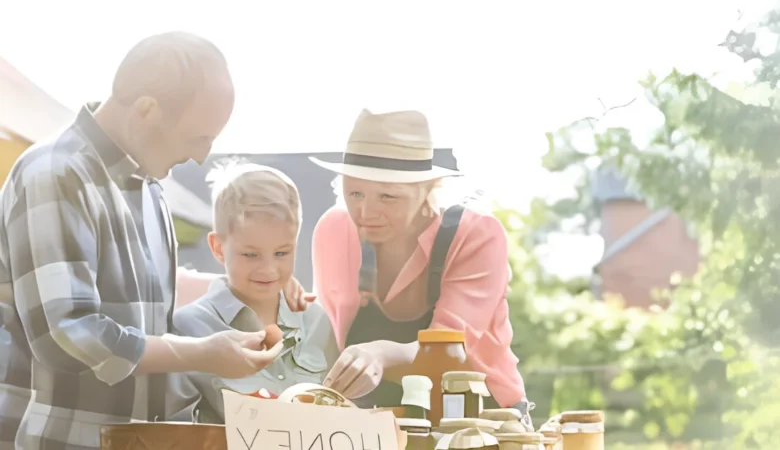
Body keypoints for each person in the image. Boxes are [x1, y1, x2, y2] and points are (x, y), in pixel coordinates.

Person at [0, 32, 291, 450]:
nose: (201, 158)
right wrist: (200, 353)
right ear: (147, 110)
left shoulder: (150, 190)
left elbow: (150, 325)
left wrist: (264, 277)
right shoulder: (55, 173)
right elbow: (66, 336)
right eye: (198, 138)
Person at [295, 109, 532, 424]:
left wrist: (379, 353)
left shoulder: (476, 236)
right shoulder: (334, 230)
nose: (366, 211)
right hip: (380, 420)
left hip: (481, 419)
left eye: (388, 196)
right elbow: (327, 337)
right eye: (355, 193)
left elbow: (449, 353)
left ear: (428, 188)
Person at [172, 163, 339, 423]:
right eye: (251, 254)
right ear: (218, 248)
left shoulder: (317, 321)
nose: (268, 269)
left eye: (282, 253)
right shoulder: (188, 327)